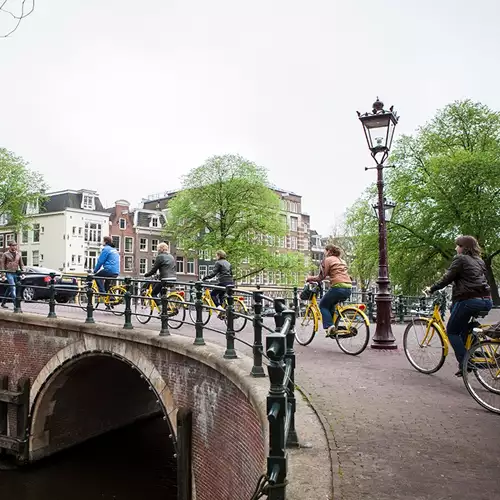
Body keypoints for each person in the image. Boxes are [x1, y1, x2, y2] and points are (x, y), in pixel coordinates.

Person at [426, 235, 492, 377]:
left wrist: (431, 289)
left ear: (464, 247)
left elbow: (447, 278)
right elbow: (475, 279)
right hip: (486, 301)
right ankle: (472, 347)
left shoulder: (460, 259)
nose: (456, 248)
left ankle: (465, 362)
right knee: (462, 323)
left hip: (469, 301)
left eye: (458, 245)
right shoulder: (479, 261)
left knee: (452, 331)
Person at [306, 244, 352, 336]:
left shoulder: (327, 260)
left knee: (322, 305)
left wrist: (309, 278)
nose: (324, 253)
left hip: (338, 287)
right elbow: (338, 273)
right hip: (348, 287)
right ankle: (332, 328)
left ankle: (330, 326)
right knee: (330, 304)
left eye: (325, 251)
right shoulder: (342, 261)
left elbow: (321, 277)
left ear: (329, 251)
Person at [0, 241, 25, 308]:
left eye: (15, 245)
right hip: (9, 273)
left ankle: (3, 303)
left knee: (10, 287)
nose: (14, 247)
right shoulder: (5, 254)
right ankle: (16, 305)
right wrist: (3, 275)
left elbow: (21, 264)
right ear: (10, 246)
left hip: (15, 273)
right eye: (13, 245)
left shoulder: (18, 254)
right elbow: (2, 265)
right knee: (13, 287)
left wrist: (22, 273)